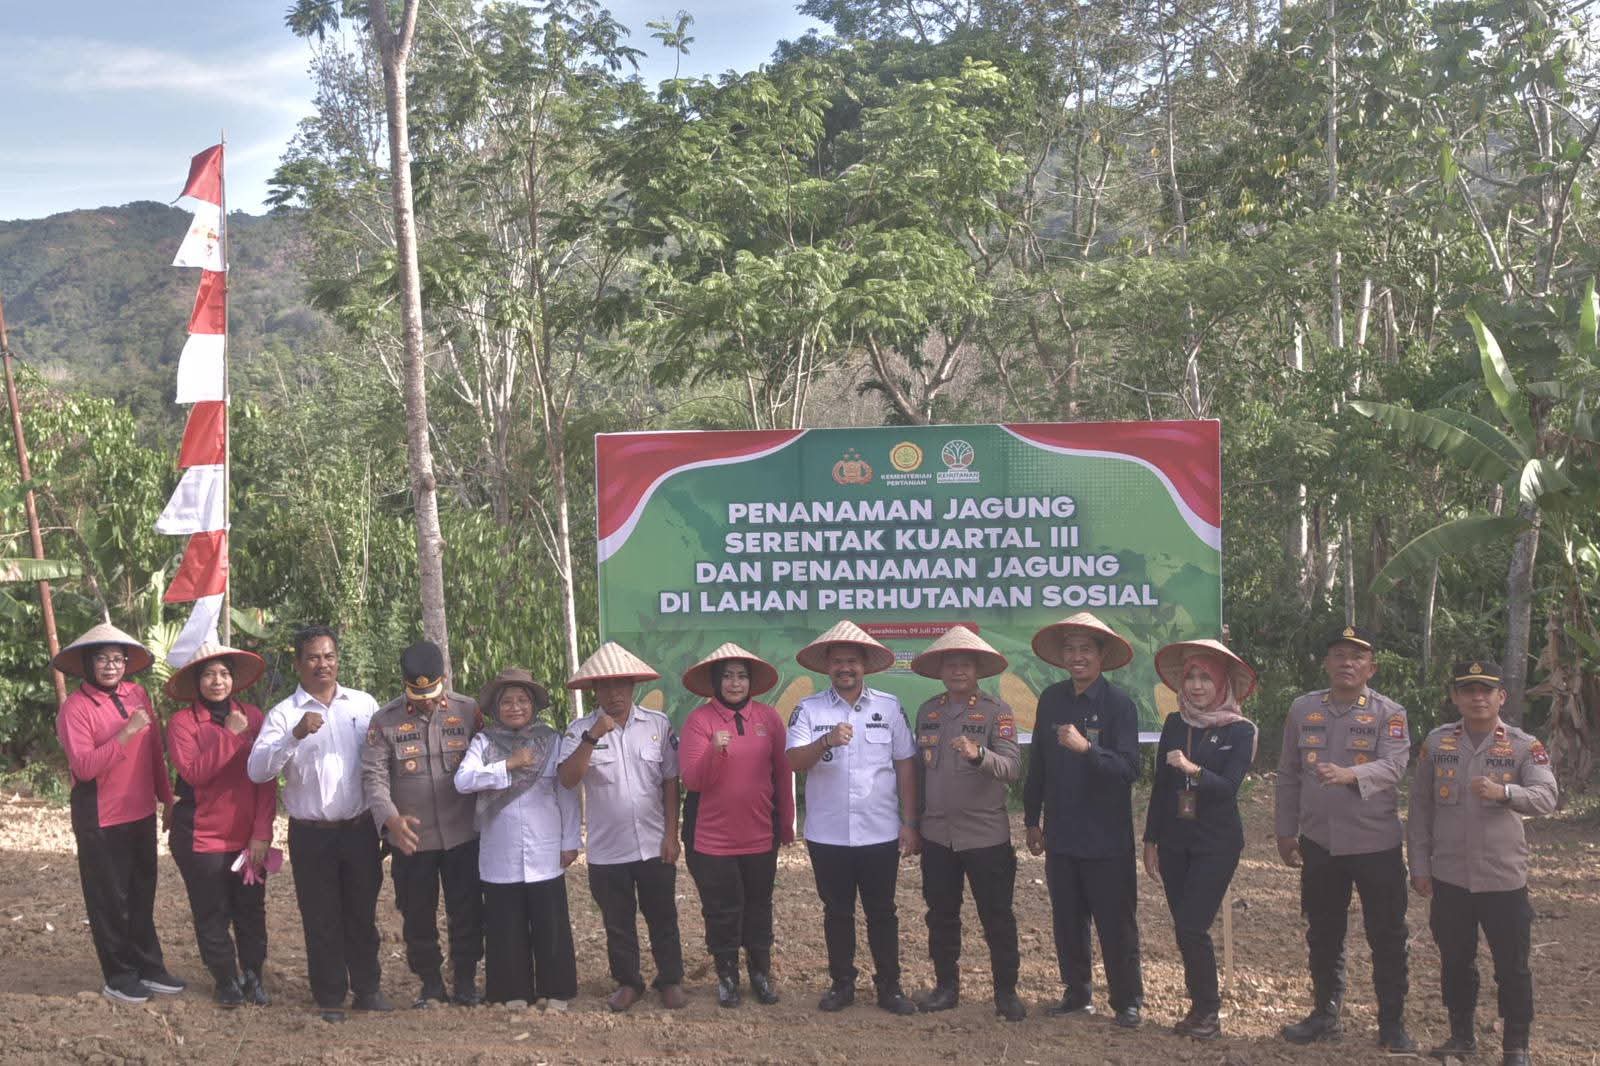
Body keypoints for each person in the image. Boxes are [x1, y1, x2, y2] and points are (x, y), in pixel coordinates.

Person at [1408, 659, 1558, 1066]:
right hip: (1451, 877)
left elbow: (1547, 797)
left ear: (1501, 697)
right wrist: (1419, 865)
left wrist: (1505, 792)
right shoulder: (1437, 744)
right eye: (1468, 690)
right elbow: (1420, 809)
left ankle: (1516, 1047)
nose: (1477, 697)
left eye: (1486, 690)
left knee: (1512, 967)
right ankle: (1461, 1036)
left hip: (1503, 878)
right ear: (1455, 696)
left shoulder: (1525, 745)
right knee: (1455, 960)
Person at [1274, 625, 1415, 1052]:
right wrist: (1284, 830)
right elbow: (1288, 773)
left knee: (1387, 934)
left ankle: (1392, 1023)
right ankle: (1325, 1014)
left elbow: (1394, 767)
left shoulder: (1389, 713)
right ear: (1326, 663)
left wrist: (1352, 774)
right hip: (1320, 842)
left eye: (1357, 657)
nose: (1347, 663)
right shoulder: (1303, 709)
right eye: (1339, 654)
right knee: (1323, 932)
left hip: (1376, 844)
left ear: (1371, 667)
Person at [248, 625, 392, 1023]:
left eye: (328, 656)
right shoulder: (284, 714)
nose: (322, 664)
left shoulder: (363, 705)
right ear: (298, 663)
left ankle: (368, 988)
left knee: (361, 913)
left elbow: (382, 763)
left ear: (337, 660)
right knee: (320, 916)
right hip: (311, 834)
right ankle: (329, 996)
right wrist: (294, 736)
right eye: (313, 657)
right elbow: (258, 770)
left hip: (360, 828)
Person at [786, 620, 919, 1016]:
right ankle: (842, 984)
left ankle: (889, 988)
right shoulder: (808, 710)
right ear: (827, 666)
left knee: (883, 911)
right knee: (837, 912)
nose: (846, 668)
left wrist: (910, 822)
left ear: (865, 665)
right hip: (827, 833)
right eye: (838, 661)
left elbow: (906, 766)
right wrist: (824, 741)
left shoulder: (889, 707)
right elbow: (793, 761)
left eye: (852, 661)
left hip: (879, 831)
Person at [1023, 612, 1145, 1028]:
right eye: (1070, 650)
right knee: (1068, 919)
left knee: (1116, 922)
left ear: (1101, 656)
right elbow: (1037, 762)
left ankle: (1128, 1000)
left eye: (1086, 650)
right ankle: (1077, 994)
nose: (1077, 657)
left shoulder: (1119, 706)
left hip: (1107, 836)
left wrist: (1086, 749)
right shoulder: (1051, 700)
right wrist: (1031, 819)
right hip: (1061, 833)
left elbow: (1130, 768)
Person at [54, 622, 187, 1004]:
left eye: (117, 659)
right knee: (110, 900)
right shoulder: (75, 709)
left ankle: (149, 965)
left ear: (127, 663)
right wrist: (125, 733)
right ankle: (119, 974)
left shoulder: (137, 693)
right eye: (102, 659)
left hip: (140, 812)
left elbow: (154, 754)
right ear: (87, 663)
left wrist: (167, 798)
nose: (111, 666)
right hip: (100, 817)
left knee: (142, 893)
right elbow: (83, 768)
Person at [558, 642, 688, 1011]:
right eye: (606, 687)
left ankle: (671, 980)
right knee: (617, 921)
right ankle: (629, 982)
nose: (614, 694)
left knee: (663, 915)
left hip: (653, 843)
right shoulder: (579, 730)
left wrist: (671, 835)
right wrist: (593, 736)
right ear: (594, 691)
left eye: (622, 686)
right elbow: (568, 779)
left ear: (634, 687)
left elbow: (670, 781)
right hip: (606, 848)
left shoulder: (658, 726)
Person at [1143, 639, 1260, 1040]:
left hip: (1216, 842)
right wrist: (1149, 840)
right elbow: (1161, 786)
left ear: (1222, 684)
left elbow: (1228, 787)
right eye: (1190, 677)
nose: (1196, 685)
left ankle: (1209, 1011)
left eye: (1205, 678)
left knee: (1193, 926)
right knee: (1184, 927)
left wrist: (1193, 770)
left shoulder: (1241, 730)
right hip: (1175, 840)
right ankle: (1198, 1007)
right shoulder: (1175, 724)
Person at [908, 626, 1025, 1022]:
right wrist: (913, 823)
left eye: (965, 663)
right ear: (941, 669)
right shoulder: (929, 711)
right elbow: (920, 776)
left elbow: (1011, 768)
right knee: (941, 914)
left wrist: (979, 756)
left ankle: (1006, 992)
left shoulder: (997, 711)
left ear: (978, 670)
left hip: (985, 835)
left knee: (997, 915)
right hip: (938, 834)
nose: (957, 670)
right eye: (950, 663)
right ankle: (946, 987)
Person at [362, 640, 485, 1008]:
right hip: (411, 838)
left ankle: (465, 979)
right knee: (417, 913)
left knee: (467, 911)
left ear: (444, 680)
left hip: (463, 833)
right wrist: (390, 819)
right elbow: (373, 777)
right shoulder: (385, 721)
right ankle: (430, 982)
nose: (426, 701)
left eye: (432, 692)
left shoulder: (467, 711)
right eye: (417, 693)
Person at [453, 668, 580, 1009]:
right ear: (496, 707)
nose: (515, 707)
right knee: (504, 924)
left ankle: (557, 991)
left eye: (522, 700)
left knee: (550, 922)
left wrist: (571, 840)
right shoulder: (484, 742)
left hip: (545, 847)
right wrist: (507, 765)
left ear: (533, 705)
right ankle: (511, 992)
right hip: (499, 850)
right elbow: (463, 781)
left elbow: (565, 792)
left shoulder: (552, 741)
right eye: (507, 701)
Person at [678, 642, 796, 1008]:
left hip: (760, 832)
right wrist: (715, 749)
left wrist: (787, 823)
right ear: (715, 681)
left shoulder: (769, 719)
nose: (734, 683)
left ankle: (760, 974)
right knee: (722, 908)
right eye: (726, 676)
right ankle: (727, 976)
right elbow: (693, 781)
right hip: (712, 836)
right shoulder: (700, 721)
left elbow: (783, 771)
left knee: (759, 905)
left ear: (751, 682)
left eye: (741, 676)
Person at [164, 642, 276, 1007]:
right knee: (210, 910)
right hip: (200, 835)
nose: (217, 681)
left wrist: (262, 832)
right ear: (197, 681)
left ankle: (254, 975)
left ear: (234, 680)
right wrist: (229, 735)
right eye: (209, 674)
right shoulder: (182, 723)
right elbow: (193, 773)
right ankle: (225, 978)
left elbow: (266, 778)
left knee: (251, 909)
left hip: (247, 836)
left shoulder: (255, 717)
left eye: (224, 673)